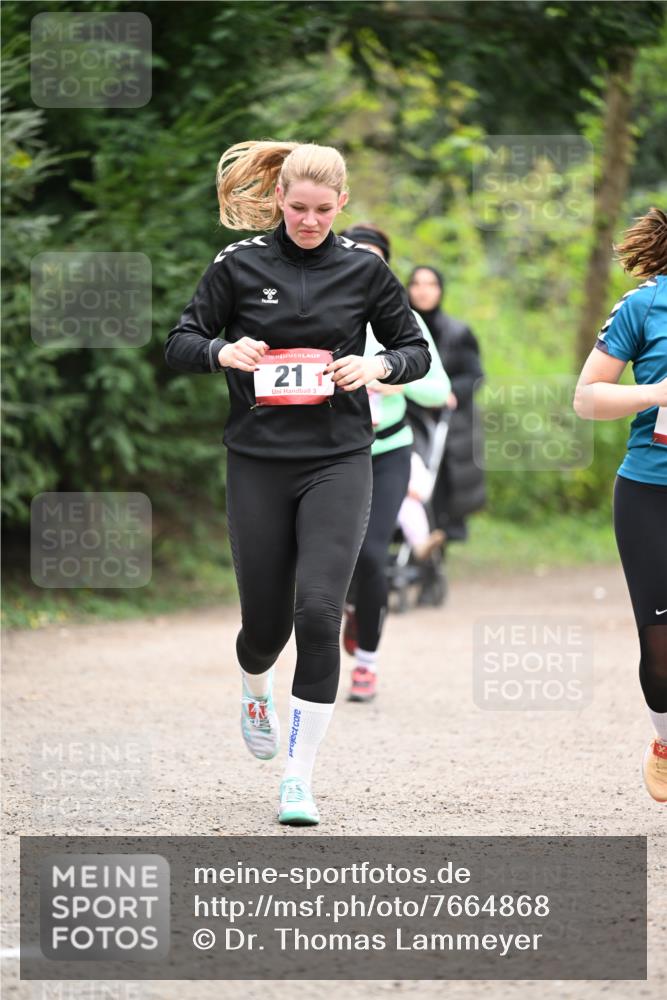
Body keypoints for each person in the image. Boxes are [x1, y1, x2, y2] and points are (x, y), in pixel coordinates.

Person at [164, 141, 431, 824]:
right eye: (297, 208)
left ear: (341, 204)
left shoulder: (364, 273)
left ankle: (297, 777)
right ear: (278, 200)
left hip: (338, 458)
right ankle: (255, 682)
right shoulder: (239, 264)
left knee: (317, 613)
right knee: (265, 626)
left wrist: (375, 370)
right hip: (256, 461)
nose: (309, 220)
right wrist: (223, 349)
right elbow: (180, 340)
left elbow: (413, 351)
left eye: (322, 209)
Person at [574, 206, 667, 803]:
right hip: (651, 494)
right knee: (661, 646)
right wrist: (657, 392)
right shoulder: (643, 306)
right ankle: (664, 739)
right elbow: (587, 398)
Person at [337, 224, 450, 703]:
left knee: (371, 554)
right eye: (356, 255)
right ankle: (352, 605)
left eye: (375, 258)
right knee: (333, 558)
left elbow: (439, 389)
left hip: (388, 450)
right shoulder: (321, 308)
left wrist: (394, 380)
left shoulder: (402, 317)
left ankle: (367, 661)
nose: (366, 265)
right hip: (333, 452)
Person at [407, 266, 485, 569]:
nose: (423, 290)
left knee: (439, 496)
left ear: (440, 290)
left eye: (430, 284)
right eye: (417, 284)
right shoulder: (394, 327)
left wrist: (450, 392)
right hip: (408, 419)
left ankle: (432, 566)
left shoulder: (458, 332)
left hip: (447, 425)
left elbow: (474, 375)